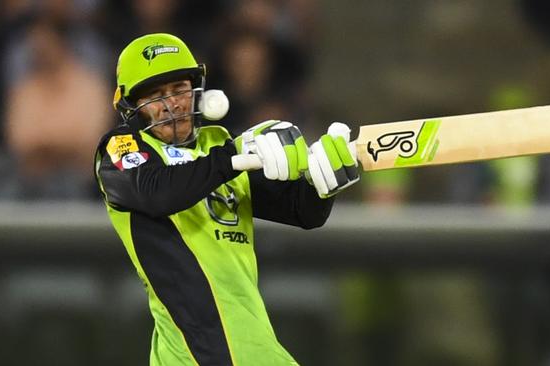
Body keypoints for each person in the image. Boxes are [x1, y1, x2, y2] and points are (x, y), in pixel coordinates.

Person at [93, 33, 359, 365]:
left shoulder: (216, 144)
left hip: (255, 349)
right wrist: (232, 156)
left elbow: (301, 212)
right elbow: (157, 192)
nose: (172, 103)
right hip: (195, 355)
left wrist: (322, 184)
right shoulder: (121, 149)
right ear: (131, 106)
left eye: (178, 90)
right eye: (156, 95)